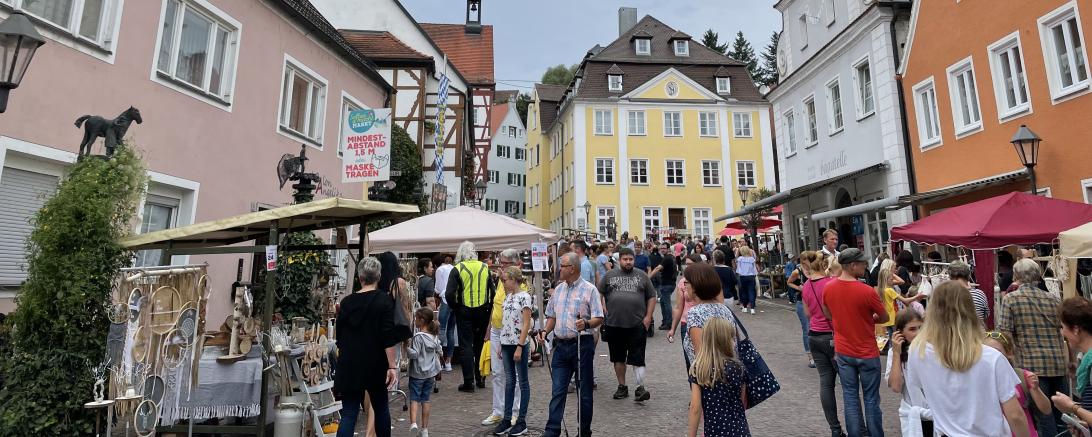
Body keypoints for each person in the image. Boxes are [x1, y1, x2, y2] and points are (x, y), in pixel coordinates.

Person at [904, 281, 1030, 437]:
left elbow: (922, 388)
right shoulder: (991, 358)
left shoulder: (918, 352)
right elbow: (1015, 416)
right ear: (970, 311)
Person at [821, 248, 888, 437]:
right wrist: (867, 319)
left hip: (844, 351)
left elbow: (828, 315)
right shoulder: (866, 291)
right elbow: (884, 317)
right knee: (871, 398)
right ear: (852, 265)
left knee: (850, 397)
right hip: (866, 352)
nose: (865, 265)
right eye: (862, 263)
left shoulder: (829, 288)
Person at [998, 258, 1069, 437]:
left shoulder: (1011, 299)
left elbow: (1005, 333)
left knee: (1043, 417)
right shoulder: (1053, 299)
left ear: (1016, 276)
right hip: (1058, 363)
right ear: (1038, 276)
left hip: (1032, 366)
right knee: (1063, 416)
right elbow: (1064, 331)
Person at [335, 257, 405, 437]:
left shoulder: (346, 302)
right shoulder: (384, 301)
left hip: (350, 361)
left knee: (349, 412)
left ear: (360, 277)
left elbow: (340, 336)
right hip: (374, 362)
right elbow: (387, 336)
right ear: (378, 277)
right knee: (380, 407)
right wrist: (392, 366)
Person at [541, 252, 604, 437]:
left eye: (563, 265)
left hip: (581, 345)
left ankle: (584, 431)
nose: (559, 269)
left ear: (572, 268)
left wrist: (586, 323)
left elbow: (599, 317)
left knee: (584, 393)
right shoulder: (558, 289)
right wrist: (545, 331)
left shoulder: (589, 289)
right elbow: (552, 316)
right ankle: (552, 430)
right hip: (560, 347)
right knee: (557, 391)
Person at [598, 247, 656, 402]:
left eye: (630, 259)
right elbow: (599, 291)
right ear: (619, 260)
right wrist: (602, 306)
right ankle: (622, 386)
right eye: (625, 259)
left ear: (634, 260)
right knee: (618, 358)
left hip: (637, 323)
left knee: (638, 357)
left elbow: (651, 296)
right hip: (614, 323)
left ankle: (640, 388)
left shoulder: (642, 275)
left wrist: (648, 316)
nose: (628, 262)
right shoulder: (610, 275)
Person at [800, 251, 844, 437]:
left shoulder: (806, 286)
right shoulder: (830, 283)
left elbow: (808, 314)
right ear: (825, 266)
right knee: (849, 384)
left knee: (826, 383)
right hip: (832, 336)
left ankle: (835, 429)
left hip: (814, 336)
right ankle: (860, 427)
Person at [445, 241, 496, 393]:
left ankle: (469, 382)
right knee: (480, 343)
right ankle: (480, 378)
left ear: (460, 253)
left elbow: (449, 294)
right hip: (483, 310)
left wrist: (456, 307)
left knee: (466, 345)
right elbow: (492, 292)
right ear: (474, 252)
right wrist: (489, 307)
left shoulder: (457, 269)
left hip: (464, 310)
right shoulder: (484, 267)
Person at [687, 318, 750, 437]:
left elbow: (695, 407)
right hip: (739, 430)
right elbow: (741, 402)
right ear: (726, 341)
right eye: (733, 338)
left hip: (714, 430)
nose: (735, 342)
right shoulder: (739, 368)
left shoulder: (699, 369)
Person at [984, 331, 1052, 437]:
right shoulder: (979, 380)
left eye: (996, 352)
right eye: (986, 352)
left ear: (1009, 353)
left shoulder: (1022, 376)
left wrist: (1036, 389)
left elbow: (1046, 409)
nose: (991, 356)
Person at [482, 249, 523, 427]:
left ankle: (515, 411)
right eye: (502, 262)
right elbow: (496, 305)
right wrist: (489, 327)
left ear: (515, 264)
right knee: (497, 373)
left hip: (511, 333)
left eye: (505, 263)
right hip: (496, 330)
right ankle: (498, 411)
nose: (502, 266)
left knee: (512, 374)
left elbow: (515, 309)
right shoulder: (501, 280)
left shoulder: (519, 283)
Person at [494, 266, 533, 436]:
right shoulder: (508, 298)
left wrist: (520, 345)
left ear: (514, 280)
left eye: (505, 280)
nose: (503, 283)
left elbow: (526, 323)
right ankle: (507, 418)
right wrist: (502, 344)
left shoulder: (525, 298)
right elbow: (506, 322)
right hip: (506, 343)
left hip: (519, 344)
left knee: (522, 382)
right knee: (509, 381)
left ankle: (521, 420)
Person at [683, 262, 742, 365]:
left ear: (695, 285)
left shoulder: (695, 313)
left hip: (708, 377)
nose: (684, 286)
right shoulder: (724, 309)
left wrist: (696, 380)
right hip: (729, 373)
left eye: (686, 282)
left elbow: (701, 356)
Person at [885, 309, 931, 437]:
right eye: (912, 329)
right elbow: (896, 387)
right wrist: (896, 354)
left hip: (936, 413)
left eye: (920, 328)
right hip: (913, 413)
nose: (918, 333)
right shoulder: (895, 354)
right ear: (900, 333)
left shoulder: (931, 349)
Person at [1048, 297, 1092, 428]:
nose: (1062, 332)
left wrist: (1072, 407)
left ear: (1076, 329)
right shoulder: (1085, 359)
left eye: (1063, 327)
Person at [407, 307, 442, 437]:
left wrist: (407, 348)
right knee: (426, 400)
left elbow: (415, 355)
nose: (415, 320)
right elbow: (439, 350)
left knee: (414, 399)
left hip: (417, 373)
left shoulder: (418, 337)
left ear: (421, 320)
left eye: (416, 318)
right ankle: (425, 429)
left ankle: (413, 424)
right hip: (430, 374)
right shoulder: (434, 336)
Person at [875, 259, 920, 353]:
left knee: (892, 337)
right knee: (898, 337)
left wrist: (890, 273)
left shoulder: (881, 289)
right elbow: (905, 300)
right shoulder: (890, 290)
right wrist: (917, 296)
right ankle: (897, 353)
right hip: (893, 317)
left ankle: (892, 355)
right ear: (887, 280)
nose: (893, 281)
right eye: (891, 279)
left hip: (887, 318)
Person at [670, 254, 705, 370]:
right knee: (690, 361)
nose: (688, 267)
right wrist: (673, 328)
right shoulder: (682, 282)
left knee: (705, 359)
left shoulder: (706, 280)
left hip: (705, 323)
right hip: (687, 324)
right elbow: (679, 307)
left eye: (691, 264)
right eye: (686, 264)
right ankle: (694, 387)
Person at [785, 254, 811, 367]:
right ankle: (810, 356)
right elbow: (789, 282)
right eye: (808, 259)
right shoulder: (798, 271)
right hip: (802, 302)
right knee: (807, 328)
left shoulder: (817, 270)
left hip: (815, 303)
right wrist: (799, 288)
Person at [433, 254, 457, 372]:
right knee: (451, 331)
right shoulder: (455, 268)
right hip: (454, 301)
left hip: (445, 300)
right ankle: (448, 361)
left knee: (441, 328)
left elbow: (437, 288)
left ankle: (439, 359)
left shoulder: (440, 270)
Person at [948, 260, 989, 326]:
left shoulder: (947, 296)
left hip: (959, 335)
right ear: (968, 275)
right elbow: (985, 317)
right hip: (980, 334)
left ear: (950, 276)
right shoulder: (979, 294)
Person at [650, 243, 679, 331]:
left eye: (664, 248)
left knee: (666, 304)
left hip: (667, 284)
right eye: (661, 248)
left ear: (668, 249)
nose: (662, 250)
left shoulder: (667, 258)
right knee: (663, 302)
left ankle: (669, 323)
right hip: (670, 283)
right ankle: (665, 321)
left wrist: (648, 278)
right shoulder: (671, 257)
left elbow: (657, 268)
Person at [736, 247, 758, 315]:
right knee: (751, 292)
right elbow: (754, 269)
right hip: (751, 277)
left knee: (744, 292)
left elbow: (738, 269)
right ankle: (752, 309)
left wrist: (740, 274)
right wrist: (755, 275)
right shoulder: (752, 259)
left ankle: (745, 308)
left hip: (743, 277)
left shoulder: (740, 259)